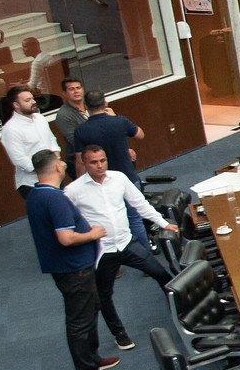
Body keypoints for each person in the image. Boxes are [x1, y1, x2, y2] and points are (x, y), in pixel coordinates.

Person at [65, 144, 175, 352]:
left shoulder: (119, 178)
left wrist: (163, 224)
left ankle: (180, 311)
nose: (99, 166)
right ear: (84, 163)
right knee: (103, 296)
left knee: (162, 274)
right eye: (94, 162)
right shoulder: (73, 191)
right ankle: (119, 333)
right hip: (102, 252)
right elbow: (66, 222)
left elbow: (140, 204)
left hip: (127, 243)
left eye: (102, 160)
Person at [26, 150, 118, 370]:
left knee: (91, 309)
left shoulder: (36, 194)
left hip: (69, 267)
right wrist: (93, 234)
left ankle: (93, 359)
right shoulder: (55, 198)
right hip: (73, 269)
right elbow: (66, 238)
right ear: (57, 168)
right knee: (80, 320)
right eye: (59, 161)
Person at [70, 91, 141, 184]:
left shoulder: (80, 130)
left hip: (101, 182)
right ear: (105, 103)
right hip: (128, 178)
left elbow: (80, 162)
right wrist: (115, 116)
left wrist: (81, 184)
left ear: (85, 106)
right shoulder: (121, 121)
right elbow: (140, 134)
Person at [0, 85, 59, 198]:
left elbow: (52, 141)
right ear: (16, 105)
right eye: (28, 100)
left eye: (32, 98)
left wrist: (56, 162)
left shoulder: (40, 118)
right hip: (32, 183)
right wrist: (45, 170)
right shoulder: (11, 129)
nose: (33, 102)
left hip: (54, 175)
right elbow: (19, 160)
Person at [55, 75, 88, 148]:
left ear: (82, 89)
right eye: (71, 89)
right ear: (64, 93)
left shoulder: (91, 104)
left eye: (78, 88)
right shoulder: (63, 115)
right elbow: (75, 141)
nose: (76, 91)